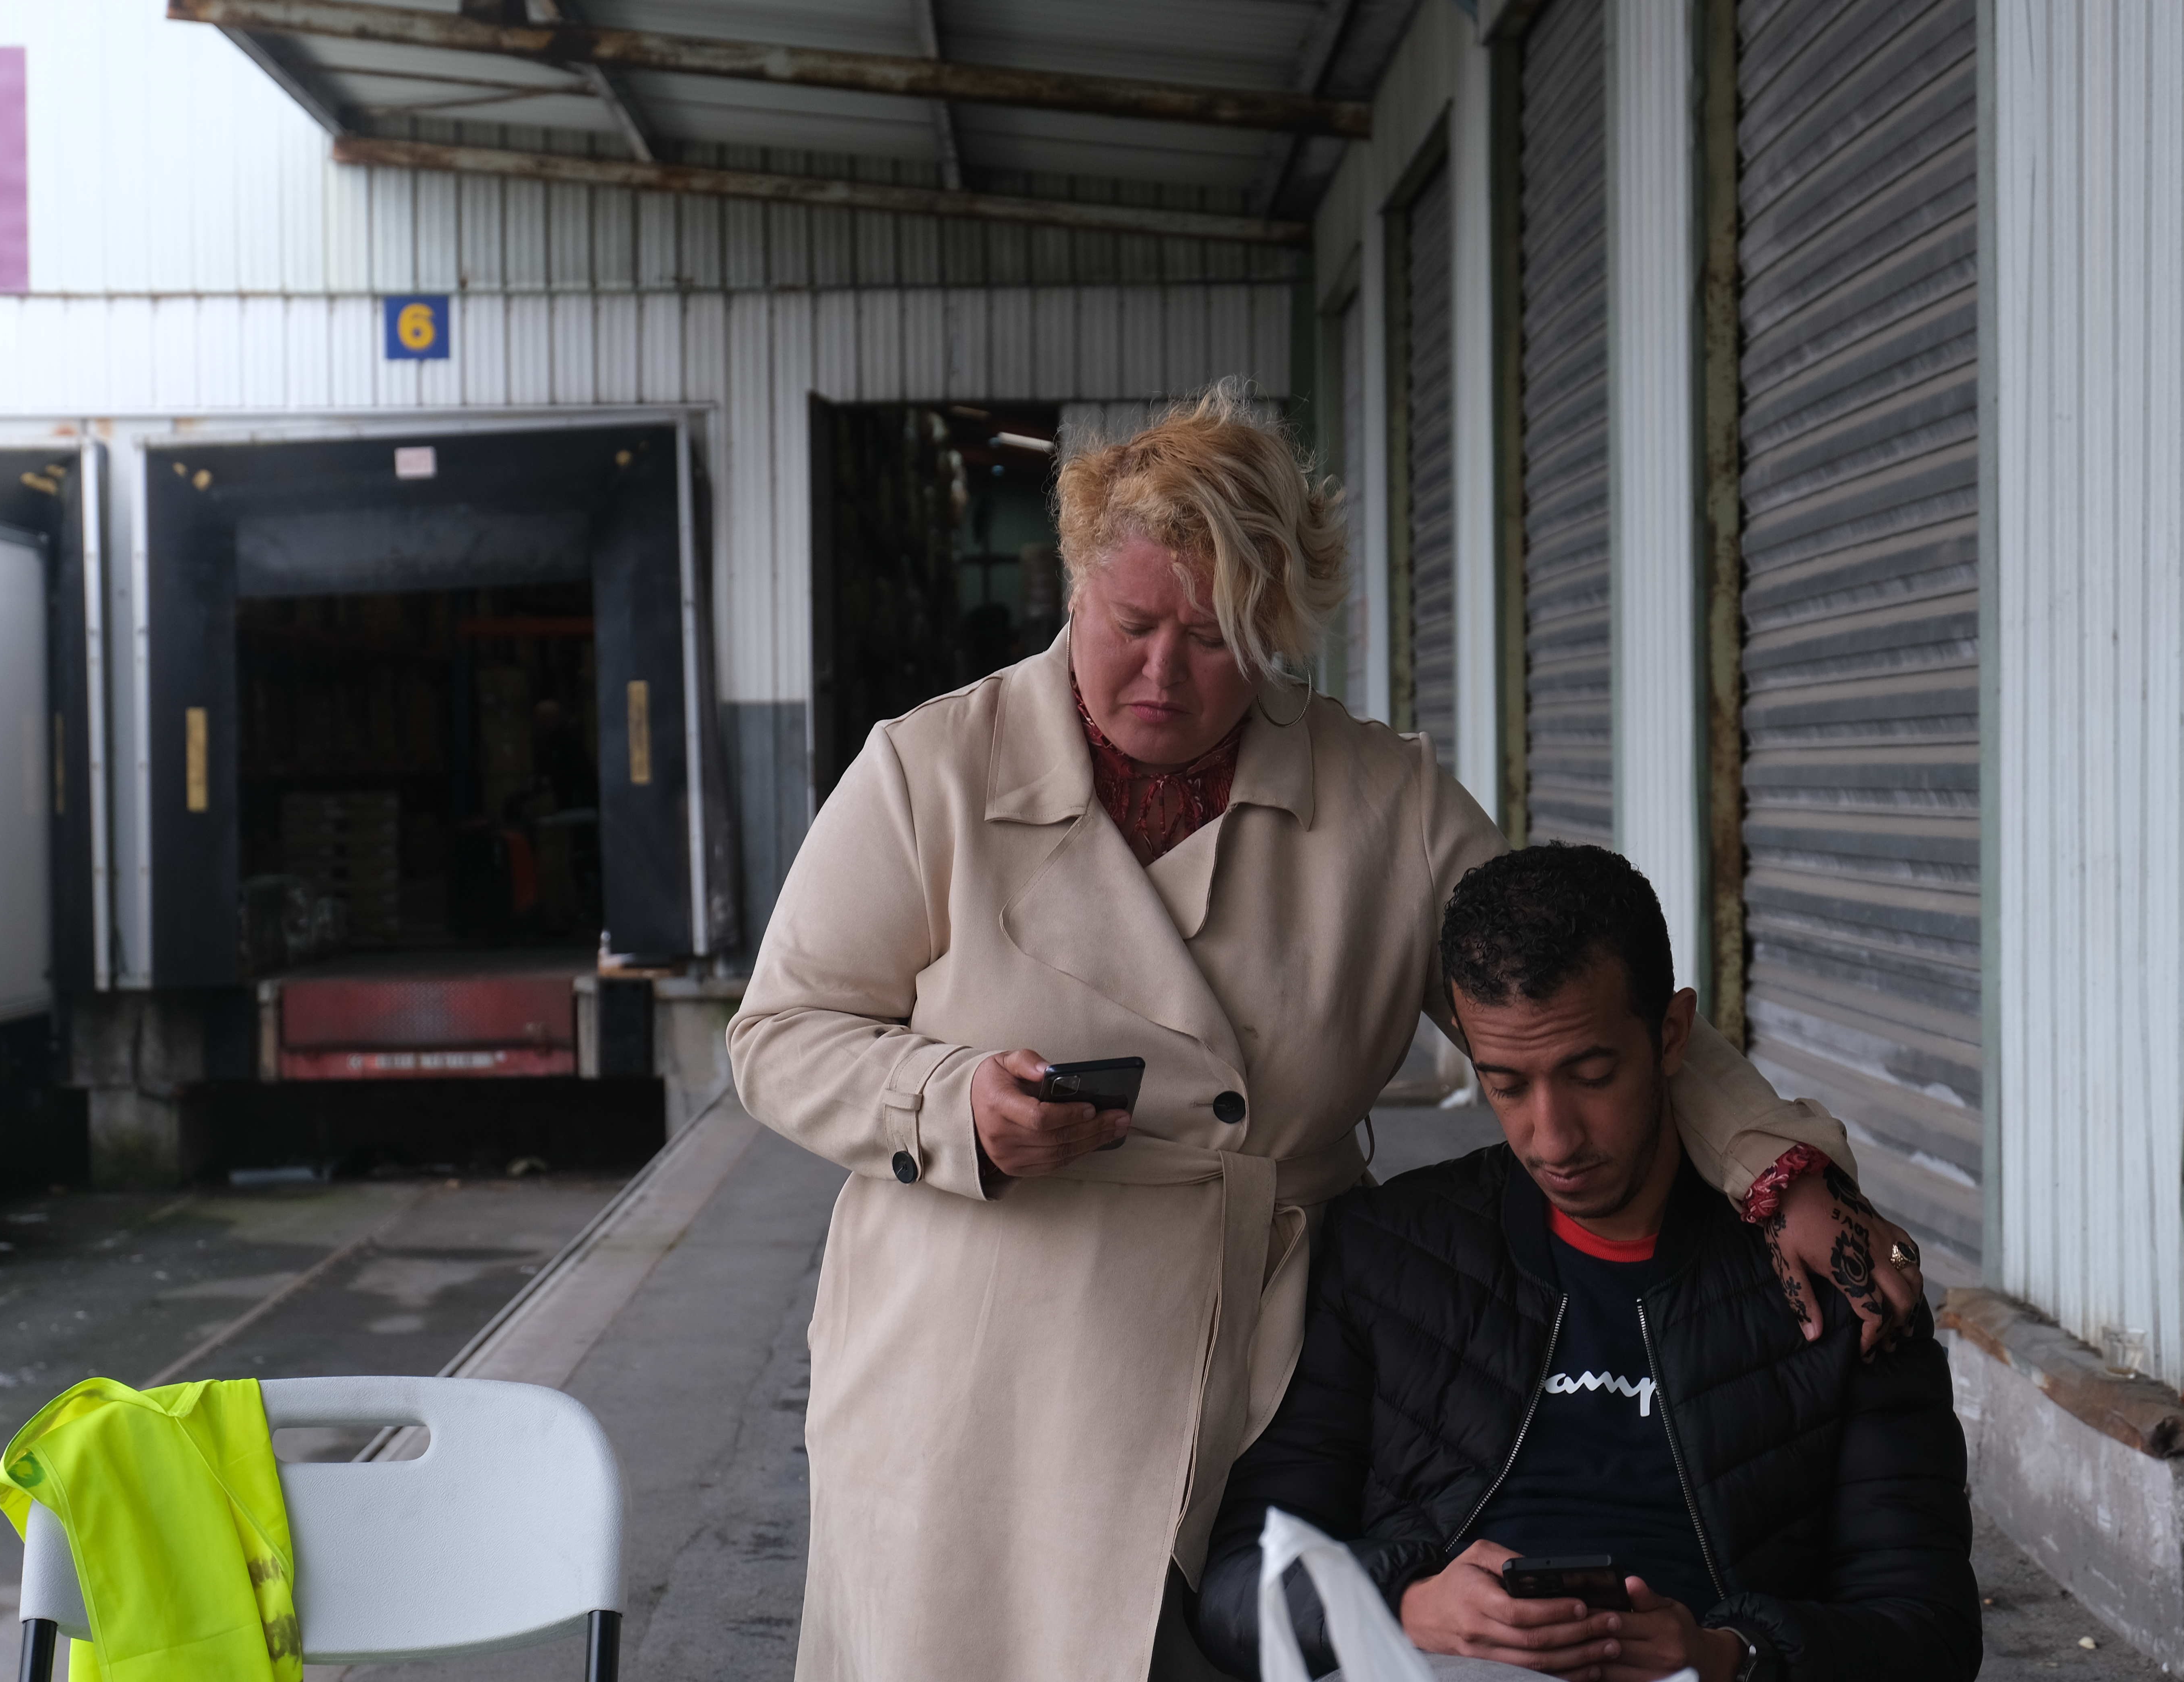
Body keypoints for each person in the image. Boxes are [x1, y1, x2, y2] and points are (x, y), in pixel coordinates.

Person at [725, 385, 1929, 1682]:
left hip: (1253, 1356)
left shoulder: (1380, 798)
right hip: (973, 1357)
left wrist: (1776, 1165)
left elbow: (1576, 993)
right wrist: (953, 1103)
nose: (1163, 674)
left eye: (1217, 638)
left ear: (1283, 634)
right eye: (1133, 624)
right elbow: (780, 1035)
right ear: (1072, 586)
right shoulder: (931, 771)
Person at [1193, 844, 1978, 1682]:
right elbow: (1241, 1589)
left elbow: (1927, 1633)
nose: (1553, 1136)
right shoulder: (1390, 1251)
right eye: (1506, 1084)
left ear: (1672, 1035)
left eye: (1592, 1073)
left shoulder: (1833, 1282)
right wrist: (1409, 1605)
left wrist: (1729, 1657)